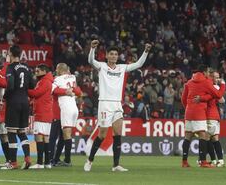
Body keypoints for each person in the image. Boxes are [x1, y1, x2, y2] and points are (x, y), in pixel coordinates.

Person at [84, 40, 152, 172]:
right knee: (102, 135)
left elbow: (138, 64)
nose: (114, 56)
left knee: (118, 134)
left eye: (116, 54)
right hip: (104, 103)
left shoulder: (122, 68)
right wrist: (92, 49)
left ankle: (115, 165)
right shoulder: (102, 66)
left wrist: (146, 51)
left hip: (117, 104)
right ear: (107, 56)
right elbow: (91, 61)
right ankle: (90, 160)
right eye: (111, 54)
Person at [181, 65, 226, 168]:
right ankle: (203, 161)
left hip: (188, 112)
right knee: (204, 135)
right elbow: (218, 95)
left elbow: (183, 99)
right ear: (204, 72)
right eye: (208, 72)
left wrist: (189, 107)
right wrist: (223, 85)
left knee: (188, 136)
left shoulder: (189, 82)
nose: (208, 74)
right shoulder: (206, 82)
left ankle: (184, 161)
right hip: (199, 112)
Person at [2, 45, 35, 170]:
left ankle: (13, 162)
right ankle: (27, 158)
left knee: (11, 132)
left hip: (14, 102)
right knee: (22, 132)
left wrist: (5, 97)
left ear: (10, 54)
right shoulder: (26, 67)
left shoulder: (10, 67)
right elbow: (32, 85)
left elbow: (10, 85)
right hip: (24, 102)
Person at [52, 63, 82, 166]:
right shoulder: (73, 77)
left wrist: (65, 91)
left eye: (56, 69)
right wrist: (69, 91)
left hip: (66, 109)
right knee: (66, 135)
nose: (56, 71)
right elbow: (78, 91)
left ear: (59, 70)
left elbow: (52, 90)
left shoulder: (58, 79)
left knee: (66, 135)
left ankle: (67, 160)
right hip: (74, 108)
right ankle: (58, 159)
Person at [27, 64, 54, 169]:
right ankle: (47, 163)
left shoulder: (45, 82)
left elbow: (36, 93)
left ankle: (39, 163)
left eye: (38, 71)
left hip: (42, 112)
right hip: (46, 113)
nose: (36, 73)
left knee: (39, 136)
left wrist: (25, 90)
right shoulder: (47, 81)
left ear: (44, 71)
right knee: (45, 137)